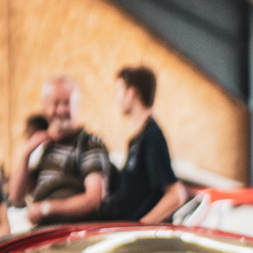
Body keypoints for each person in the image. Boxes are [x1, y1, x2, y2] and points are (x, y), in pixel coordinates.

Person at [11, 76, 111, 226]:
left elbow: (93, 199)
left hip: (72, 231)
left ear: (76, 106)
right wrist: (26, 154)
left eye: (67, 103)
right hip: (42, 230)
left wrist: (45, 208)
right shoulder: (43, 146)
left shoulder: (89, 142)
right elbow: (16, 199)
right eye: (55, 103)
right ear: (45, 107)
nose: (61, 110)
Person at [97, 66, 184, 223]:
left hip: (142, 236)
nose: (116, 98)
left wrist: (141, 226)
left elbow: (176, 195)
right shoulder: (137, 140)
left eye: (118, 91)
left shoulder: (152, 137)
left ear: (131, 93)